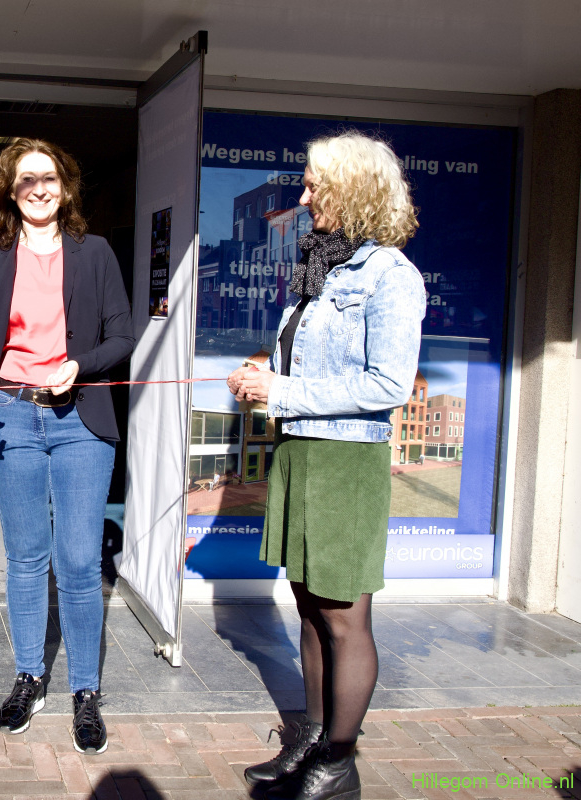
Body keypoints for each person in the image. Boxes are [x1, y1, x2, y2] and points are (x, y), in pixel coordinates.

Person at [227, 132, 423, 800]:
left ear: (353, 190)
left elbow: (388, 385)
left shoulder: (390, 275)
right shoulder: (323, 269)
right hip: (302, 453)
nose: (305, 197)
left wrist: (281, 391)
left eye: (315, 186)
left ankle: (339, 763)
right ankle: (311, 740)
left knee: (344, 618)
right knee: (309, 611)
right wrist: (262, 373)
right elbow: (311, 363)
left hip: (345, 462)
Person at [0, 138, 134, 754]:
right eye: (26, 179)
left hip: (78, 417)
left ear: (66, 186)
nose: (38, 188)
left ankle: (85, 691)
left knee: (79, 561)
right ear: (9, 190)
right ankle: (29, 676)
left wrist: (79, 365)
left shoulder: (95, 252)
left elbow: (122, 336)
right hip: (11, 416)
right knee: (27, 556)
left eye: (49, 178)